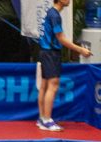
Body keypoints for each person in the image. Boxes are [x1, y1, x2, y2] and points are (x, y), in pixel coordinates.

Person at [36, 0, 91, 132]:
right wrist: (80, 50)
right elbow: (61, 38)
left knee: (44, 86)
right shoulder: (54, 15)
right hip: (51, 54)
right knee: (53, 85)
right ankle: (47, 120)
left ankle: (42, 118)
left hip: (45, 52)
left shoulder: (51, 12)